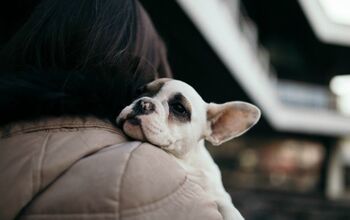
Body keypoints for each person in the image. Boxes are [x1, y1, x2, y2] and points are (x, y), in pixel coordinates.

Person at [0, 0, 223, 220]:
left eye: (177, 109)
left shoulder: (10, 141)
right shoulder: (163, 183)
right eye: (143, 91)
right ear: (133, 69)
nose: (147, 103)